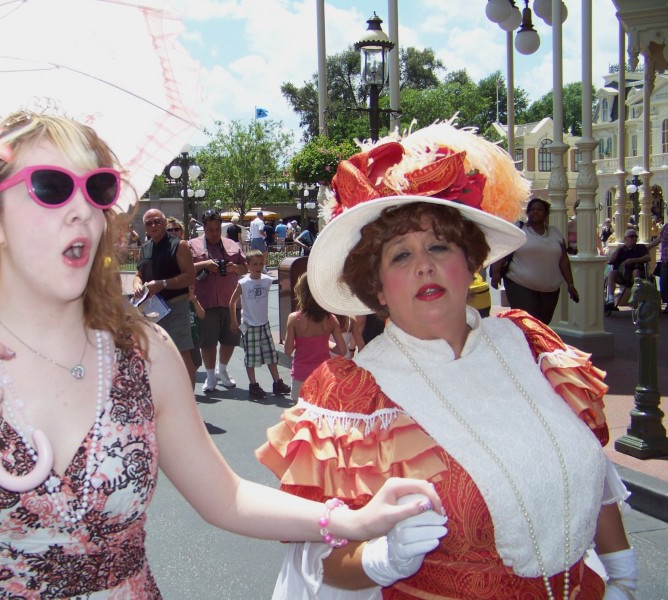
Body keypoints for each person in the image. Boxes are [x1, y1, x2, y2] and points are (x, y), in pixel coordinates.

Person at [0, 110, 442, 598]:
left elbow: (225, 495)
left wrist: (349, 520)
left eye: (97, 188)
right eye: (51, 188)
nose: (83, 209)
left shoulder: (144, 351)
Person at [257, 122, 635, 599]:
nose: (424, 265)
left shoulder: (529, 343)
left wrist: (622, 572)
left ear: (469, 262)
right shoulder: (354, 395)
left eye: (439, 246)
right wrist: (381, 558)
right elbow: (323, 563)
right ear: (375, 288)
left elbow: (589, 470)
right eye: (399, 256)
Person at [490, 198, 579, 324]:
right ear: (527, 213)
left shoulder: (555, 233)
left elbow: (563, 260)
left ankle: (537, 344)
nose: (535, 212)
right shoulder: (519, 230)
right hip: (520, 283)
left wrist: (570, 284)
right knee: (528, 322)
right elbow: (504, 250)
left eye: (539, 209)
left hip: (550, 288)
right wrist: (496, 273)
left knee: (543, 323)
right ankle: (524, 344)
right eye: (532, 210)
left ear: (546, 213)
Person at [134, 209, 196, 384]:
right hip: (151, 311)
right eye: (149, 223)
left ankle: (188, 405)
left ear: (164, 222)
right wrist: (137, 284)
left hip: (175, 308)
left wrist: (163, 284)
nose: (153, 225)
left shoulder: (179, 245)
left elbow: (189, 277)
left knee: (182, 356)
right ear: (145, 227)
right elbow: (139, 274)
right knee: (154, 358)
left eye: (157, 221)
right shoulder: (145, 248)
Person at [189, 208, 248, 393]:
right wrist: (205, 264)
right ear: (204, 228)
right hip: (204, 302)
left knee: (230, 339)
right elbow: (186, 269)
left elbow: (245, 268)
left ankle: (222, 369)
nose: (214, 233)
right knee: (208, 342)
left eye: (217, 229)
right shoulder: (192, 245)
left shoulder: (232, 244)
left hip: (230, 301)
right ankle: (210, 376)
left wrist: (235, 268)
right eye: (210, 229)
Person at [228, 250, 291, 399]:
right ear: (248, 265)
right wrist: (234, 321)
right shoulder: (243, 283)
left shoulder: (267, 280)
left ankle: (277, 382)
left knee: (270, 354)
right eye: (254, 264)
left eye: (261, 263)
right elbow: (232, 302)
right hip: (250, 325)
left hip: (264, 324)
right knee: (251, 357)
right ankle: (253, 385)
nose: (258, 266)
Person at [284, 274, 347, 401]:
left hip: (301, 374)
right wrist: (325, 342)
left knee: (299, 415)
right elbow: (342, 350)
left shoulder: (294, 319)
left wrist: (301, 343)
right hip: (322, 374)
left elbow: (288, 350)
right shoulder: (331, 319)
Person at [605, 228, 651, 309]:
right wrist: (619, 248)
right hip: (623, 275)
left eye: (635, 236)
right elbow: (611, 260)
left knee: (636, 271)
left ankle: (636, 297)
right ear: (625, 238)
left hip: (637, 274)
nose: (634, 238)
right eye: (631, 236)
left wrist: (633, 260)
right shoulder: (621, 249)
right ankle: (611, 299)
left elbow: (648, 257)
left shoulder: (641, 247)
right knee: (612, 273)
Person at [650, 219, 668, 313]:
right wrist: (648, 247)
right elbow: (659, 239)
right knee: (664, 284)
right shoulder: (666, 226)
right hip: (665, 260)